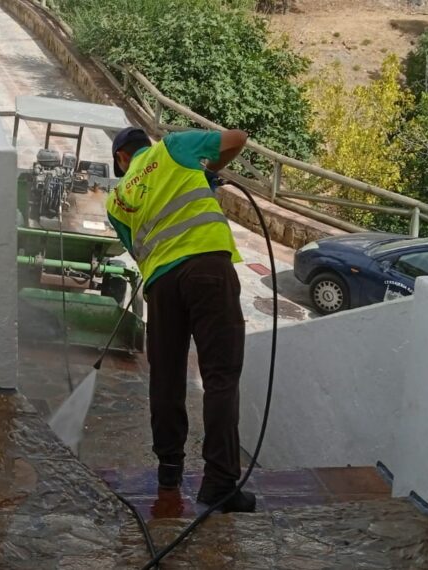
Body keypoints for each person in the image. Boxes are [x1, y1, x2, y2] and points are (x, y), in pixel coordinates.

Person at [105, 127, 255, 513]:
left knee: (166, 380)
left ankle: (169, 476)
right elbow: (237, 138)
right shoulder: (173, 148)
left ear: (122, 158)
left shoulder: (117, 199)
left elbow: (138, 250)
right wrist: (206, 173)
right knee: (220, 377)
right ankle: (220, 483)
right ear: (143, 147)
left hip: (162, 285)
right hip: (207, 265)